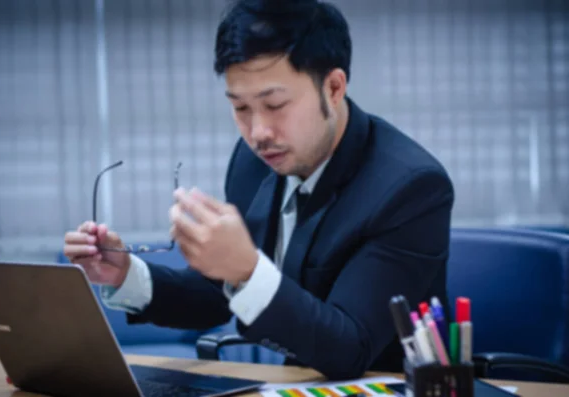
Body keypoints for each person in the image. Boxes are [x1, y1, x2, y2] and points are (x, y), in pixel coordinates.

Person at [63, 0, 454, 380]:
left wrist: (248, 269)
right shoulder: (254, 161)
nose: (258, 133)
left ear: (333, 88)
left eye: (275, 104)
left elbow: (350, 347)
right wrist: (126, 275)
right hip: (295, 386)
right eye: (241, 108)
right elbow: (220, 293)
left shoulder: (410, 188)